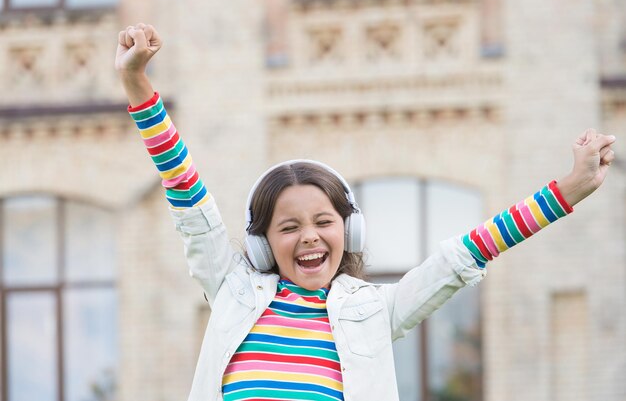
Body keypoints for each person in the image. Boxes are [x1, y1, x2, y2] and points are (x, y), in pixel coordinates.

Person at [116, 23, 616, 401]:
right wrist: (137, 83)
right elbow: (186, 193)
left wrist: (565, 191)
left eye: (323, 222)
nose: (309, 236)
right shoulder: (232, 291)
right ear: (262, 243)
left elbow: (464, 255)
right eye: (289, 227)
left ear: (349, 231)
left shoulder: (372, 313)